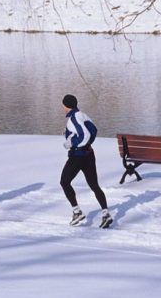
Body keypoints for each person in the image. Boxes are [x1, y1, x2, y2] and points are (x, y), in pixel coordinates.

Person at [60, 94, 113, 228]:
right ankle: (106, 214)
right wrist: (86, 143)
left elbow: (85, 135)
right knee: (94, 185)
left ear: (66, 106)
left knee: (64, 182)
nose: (62, 107)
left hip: (78, 156)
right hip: (89, 154)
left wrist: (72, 143)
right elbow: (94, 131)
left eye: (63, 105)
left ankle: (77, 212)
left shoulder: (73, 119)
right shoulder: (83, 115)